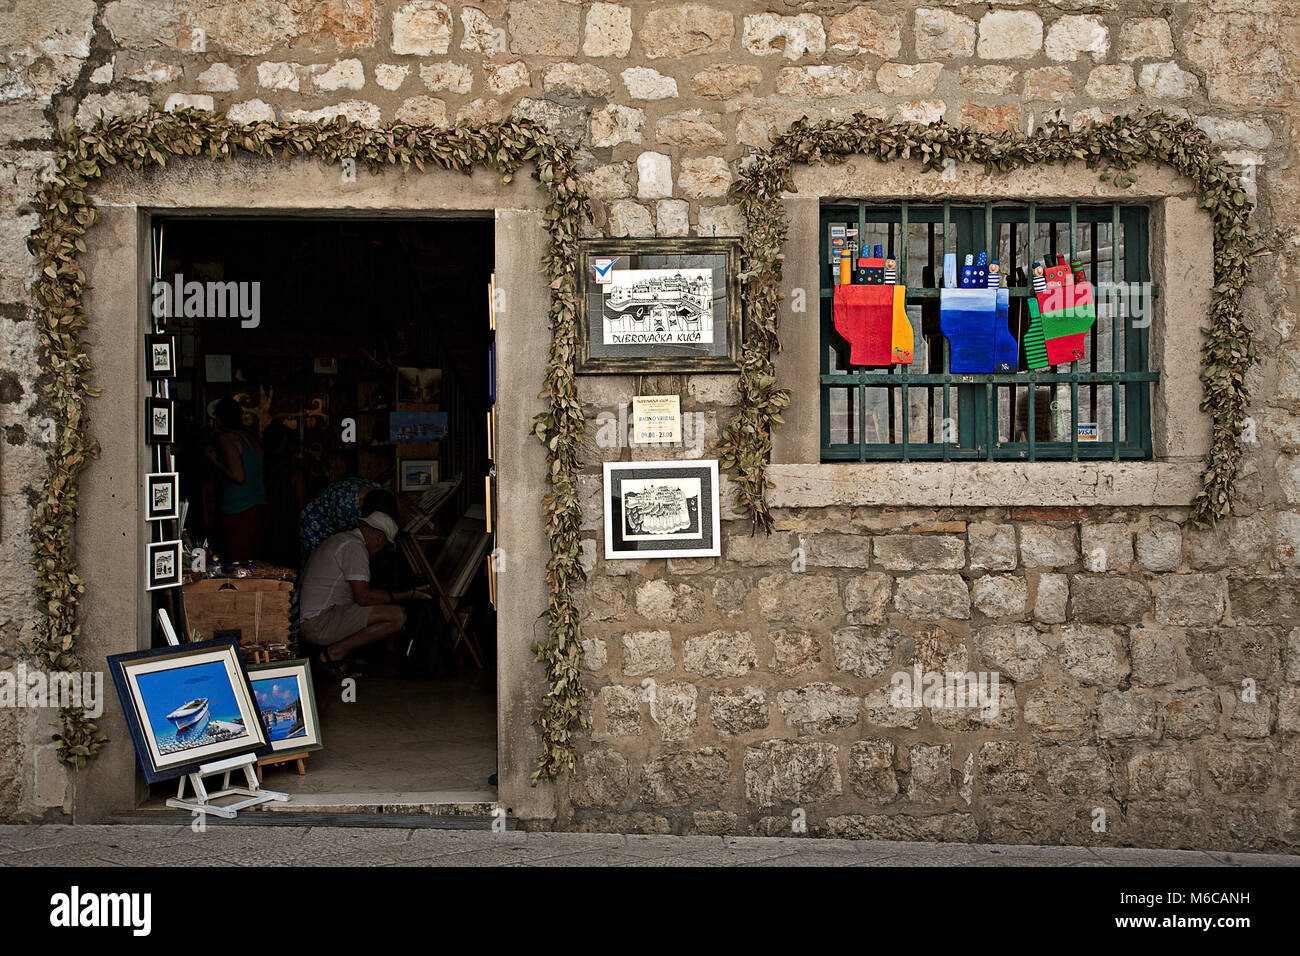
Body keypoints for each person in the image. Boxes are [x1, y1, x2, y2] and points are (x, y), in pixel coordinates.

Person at [298, 512, 431, 677]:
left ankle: (335, 654)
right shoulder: (354, 547)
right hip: (318, 623)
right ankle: (333, 654)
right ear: (379, 537)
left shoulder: (342, 539)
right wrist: (408, 595)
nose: (379, 551)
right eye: (383, 546)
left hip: (313, 620)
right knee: (397, 615)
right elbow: (364, 597)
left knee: (381, 608)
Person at [204, 397, 269, 562]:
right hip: (258, 506)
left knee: (239, 564)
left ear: (218, 420)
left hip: (239, 509)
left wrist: (214, 460)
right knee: (254, 562)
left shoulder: (227, 439)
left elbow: (238, 477)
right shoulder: (250, 438)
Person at [299, 477, 398, 561]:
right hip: (316, 521)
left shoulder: (386, 495)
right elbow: (345, 540)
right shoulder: (344, 506)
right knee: (321, 559)